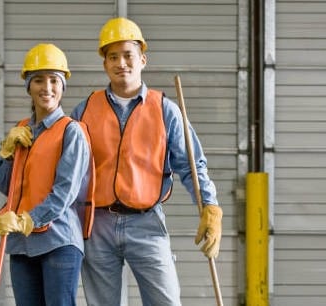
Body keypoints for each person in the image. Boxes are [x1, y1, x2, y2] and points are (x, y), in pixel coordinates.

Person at [71, 17, 223, 306]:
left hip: (147, 222)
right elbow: (67, 165)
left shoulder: (166, 110)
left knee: (166, 301)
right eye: (112, 56)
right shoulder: (86, 109)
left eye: (128, 55)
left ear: (143, 59)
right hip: (97, 224)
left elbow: (192, 166)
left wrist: (210, 207)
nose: (121, 63)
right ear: (104, 64)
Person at [0, 43, 90, 306]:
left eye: (54, 80)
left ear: (62, 86)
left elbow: (64, 194)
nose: (47, 88)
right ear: (28, 86)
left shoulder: (71, 132)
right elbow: (5, 185)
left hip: (58, 241)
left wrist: (26, 220)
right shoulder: (21, 129)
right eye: (38, 80)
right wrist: (7, 152)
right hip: (22, 244)